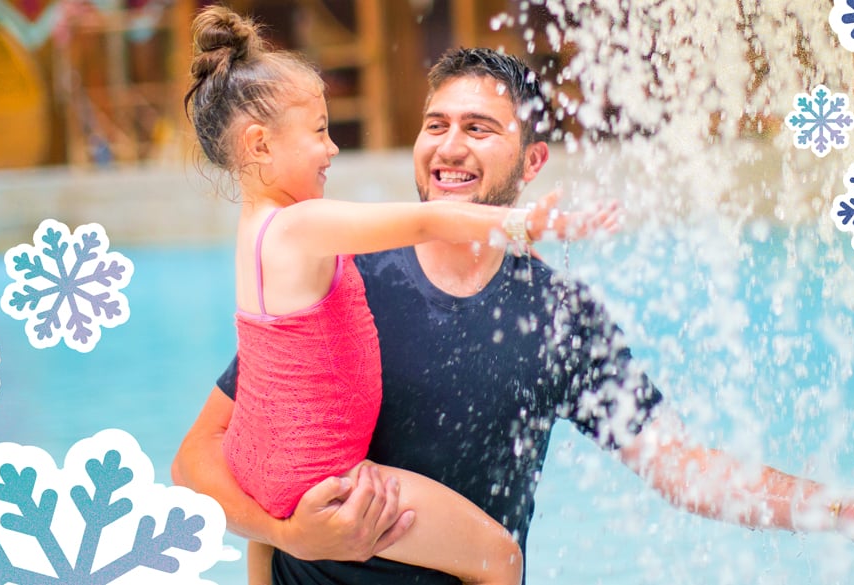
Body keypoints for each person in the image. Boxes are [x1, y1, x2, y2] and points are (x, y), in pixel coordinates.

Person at [172, 46, 854, 584]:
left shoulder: (558, 316)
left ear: (533, 162)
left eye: (480, 129)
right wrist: (290, 534)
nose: (448, 147)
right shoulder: (342, 276)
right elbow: (203, 456)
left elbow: (681, 468)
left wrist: (841, 507)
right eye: (436, 125)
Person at [182, 8, 617, 585]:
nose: (333, 148)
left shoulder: (268, 234)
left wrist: (505, 265)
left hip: (265, 462)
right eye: (318, 131)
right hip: (326, 478)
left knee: (267, 543)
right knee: (500, 559)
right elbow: (422, 225)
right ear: (259, 145)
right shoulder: (298, 227)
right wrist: (517, 225)